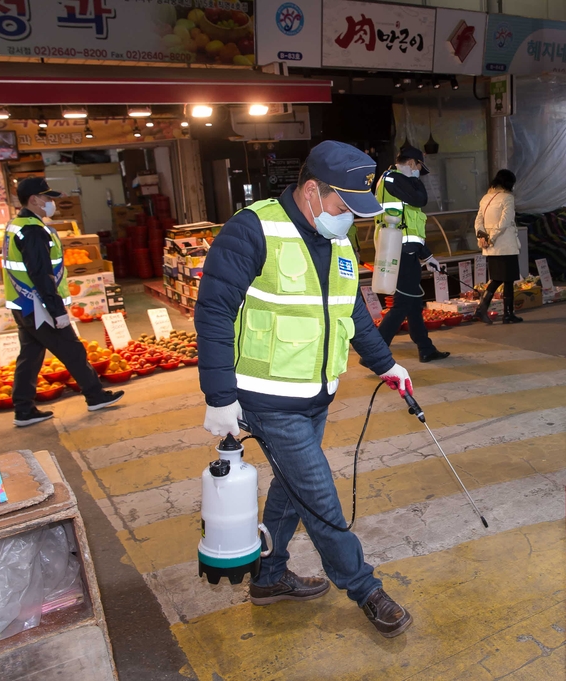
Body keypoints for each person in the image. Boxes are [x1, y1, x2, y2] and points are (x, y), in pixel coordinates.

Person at [196, 140, 417, 639]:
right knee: (319, 498)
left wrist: (387, 365)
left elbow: (353, 312)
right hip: (267, 399)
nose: (349, 221)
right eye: (344, 208)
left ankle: (269, 577)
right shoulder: (252, 230)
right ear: (312, 190)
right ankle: (365, 589)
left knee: (291, 491)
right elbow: (213, 312)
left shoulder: (335, 237)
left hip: (315, 395)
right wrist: (218, 395)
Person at [3, 178, 123, 427]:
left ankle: (23, 409)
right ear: (34, 199)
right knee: (72, 350)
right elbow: (40, 274)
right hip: (38, 305)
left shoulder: (18, 224)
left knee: (30, 356)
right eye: (47, 198)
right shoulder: (32, 230)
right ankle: (95, 395)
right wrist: (56, 310)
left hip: (22, 303)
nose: (52, 203)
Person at [373, 146, 449, 363]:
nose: (418, 174)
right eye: (418, 168)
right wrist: (415, 181)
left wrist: (427, 256)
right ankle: (374, 353)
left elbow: (410, 227)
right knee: (403, 304)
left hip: (404, 249)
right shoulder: (392, 179)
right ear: (412, 163)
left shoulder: (396, 181)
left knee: (414, 303)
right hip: (399, 250)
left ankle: (426, 348)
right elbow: (420, 199)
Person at [473, 170, 523, 324]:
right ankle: (487, 310)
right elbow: (505, 221)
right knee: (504, 279)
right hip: (506, 245)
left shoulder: (485, 198)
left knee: (501, 278)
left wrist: (483, 237)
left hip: (490, 247)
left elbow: (478, 221)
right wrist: (492, 237)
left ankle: (507, 313)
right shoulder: (508, 198)